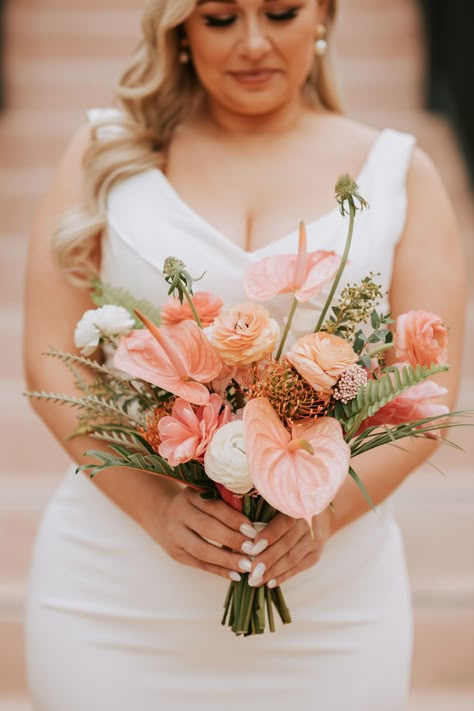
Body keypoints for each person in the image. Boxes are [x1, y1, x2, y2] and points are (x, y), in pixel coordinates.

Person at [23, 1, 466, 709]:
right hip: (114, 589)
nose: (253, 43)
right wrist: (157, 506)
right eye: (221, 18)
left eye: (282, 12)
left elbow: (426, 393)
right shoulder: (104, 152)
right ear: (181, 32)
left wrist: (323, 511)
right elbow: (51, 362)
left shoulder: (398, 176)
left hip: (331, 600)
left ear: (323, 14)